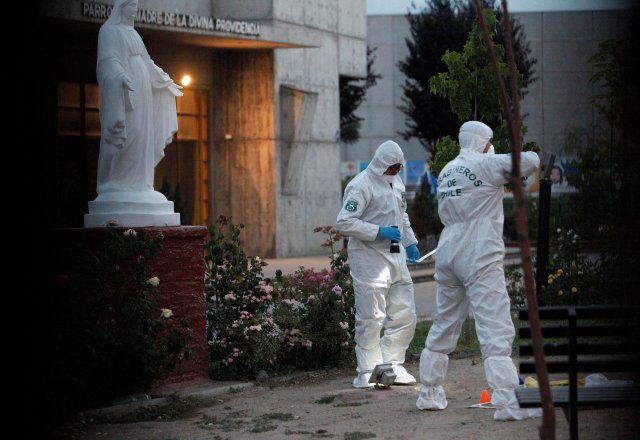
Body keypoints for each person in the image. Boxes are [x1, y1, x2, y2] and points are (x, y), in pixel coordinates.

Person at [416, 121, 542, 421]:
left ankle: (429, 392)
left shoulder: (447, 170)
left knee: (444, 324)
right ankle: (508, 398)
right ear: (484, 141)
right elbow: (531, 160)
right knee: (494, 325)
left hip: (448, 253)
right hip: (479, 252)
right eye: (490, 141)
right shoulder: (486, 164)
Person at [336, 140, 421, 388]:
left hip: (395, 257)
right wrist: (378, 231)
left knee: (405, 314)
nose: (395, 171)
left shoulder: (397, 183)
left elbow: (401, 214)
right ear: (381, 163)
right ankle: (368, 370)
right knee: (371, 318)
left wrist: (410, 241)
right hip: (369, 260)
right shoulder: (360, 186)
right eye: (391, 167)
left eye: (398, 167)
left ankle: (392, 365)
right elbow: (344, 222)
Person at [96, 0, 182, 195]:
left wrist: (163, 80)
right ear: (121, 7)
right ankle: (112, 181)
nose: (135, 9)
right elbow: (107, 60)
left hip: (142, 89)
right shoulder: (109, 31)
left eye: (136, 5)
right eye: (131, 5)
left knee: (143, 133)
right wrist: (118, 74)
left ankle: (140, 183)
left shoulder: (134, 34)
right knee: (128, 132)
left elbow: (146, 61)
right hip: (125, 90)